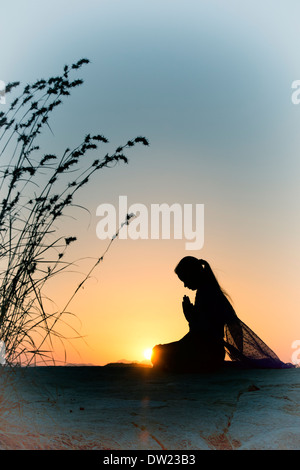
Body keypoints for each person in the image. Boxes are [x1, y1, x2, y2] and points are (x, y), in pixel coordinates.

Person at [151, 257, 293, 372]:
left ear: (192, 274)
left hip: (206, 352)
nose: (185, 285)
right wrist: (191, 315)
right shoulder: (206, 292)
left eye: (185, 280)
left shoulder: (209, 293)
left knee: (158, 353)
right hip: (206, 351)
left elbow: (206, 331)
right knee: (159, 352)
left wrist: (189, 316)